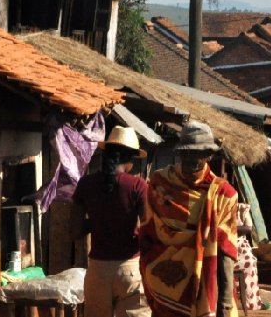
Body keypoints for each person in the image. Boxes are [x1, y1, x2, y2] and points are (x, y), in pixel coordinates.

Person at [139, 120, 239, 317]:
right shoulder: (159, 184)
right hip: (163, 284)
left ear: (209, 155)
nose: (192, 159)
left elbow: (226, 249)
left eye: (199, 154)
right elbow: (148, 232)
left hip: (205, 284)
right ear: (179, 153)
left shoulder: (223, 193)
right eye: (187, 153)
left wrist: (225, 302)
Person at [70, 126, 151, 317]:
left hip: (97, 272)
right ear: (130, 161)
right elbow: (149, 234)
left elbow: (74, 232)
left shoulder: (85, 185)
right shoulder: (138, 186)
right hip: (130, 270)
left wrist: (98, 221)